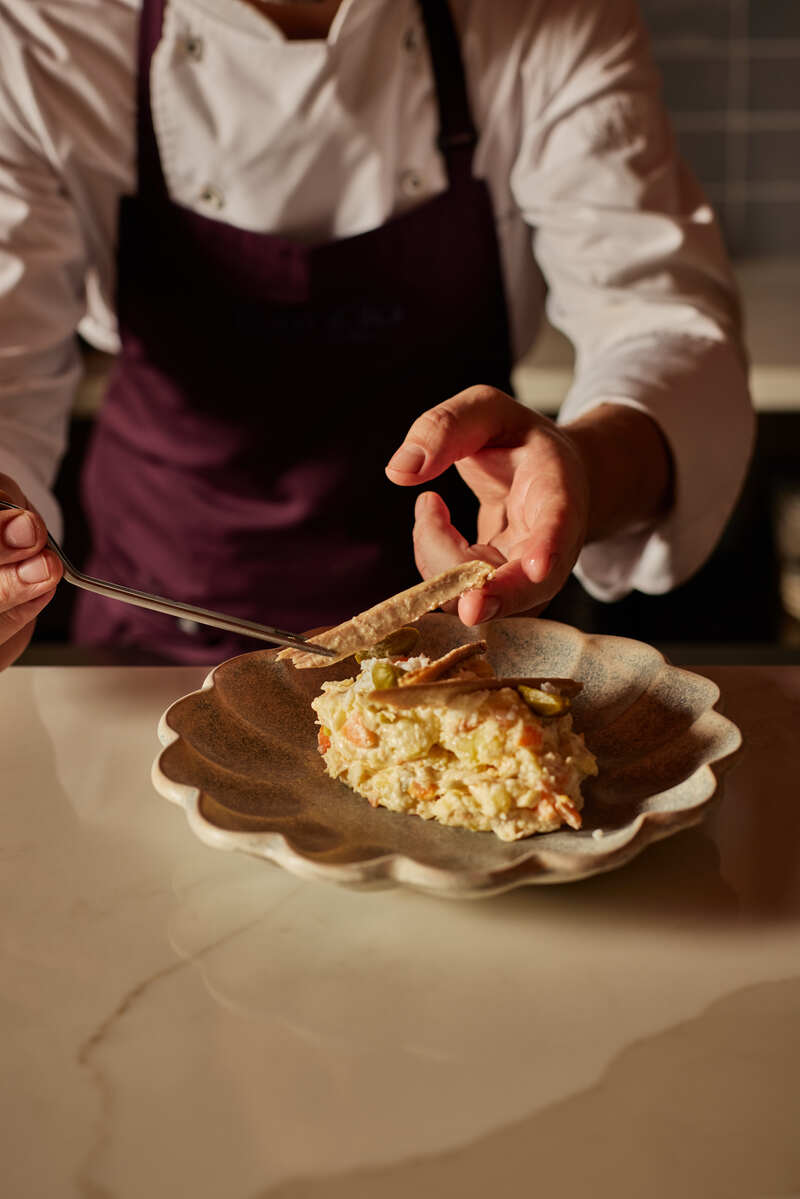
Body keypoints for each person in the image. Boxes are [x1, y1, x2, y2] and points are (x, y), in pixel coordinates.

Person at [0, 0, 754, 668]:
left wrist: (578, 471)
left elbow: (662, 325)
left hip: (469, 651)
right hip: (155, 638)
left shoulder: (543, 14)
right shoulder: (43, 30)